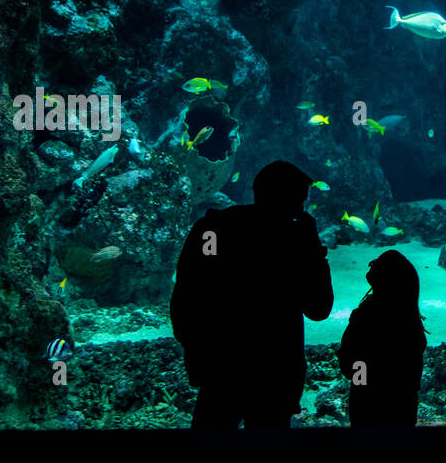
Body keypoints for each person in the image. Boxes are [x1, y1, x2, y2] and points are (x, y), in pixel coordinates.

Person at [171, 161, 333, 427]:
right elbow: (319, 308)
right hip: (275, 374)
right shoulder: (294, 243)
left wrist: (197, 353)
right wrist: (313, 250)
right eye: (298, 202)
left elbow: (184, 298)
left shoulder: (212, 228)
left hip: (220, 370)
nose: (300, 211)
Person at [337, 250, 427, 425]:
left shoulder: (366, 315)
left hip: (367, 405)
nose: (370, 266)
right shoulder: (410, 318)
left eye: (375, 264)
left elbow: (349, 361)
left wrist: (363, 385)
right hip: (402, 405)